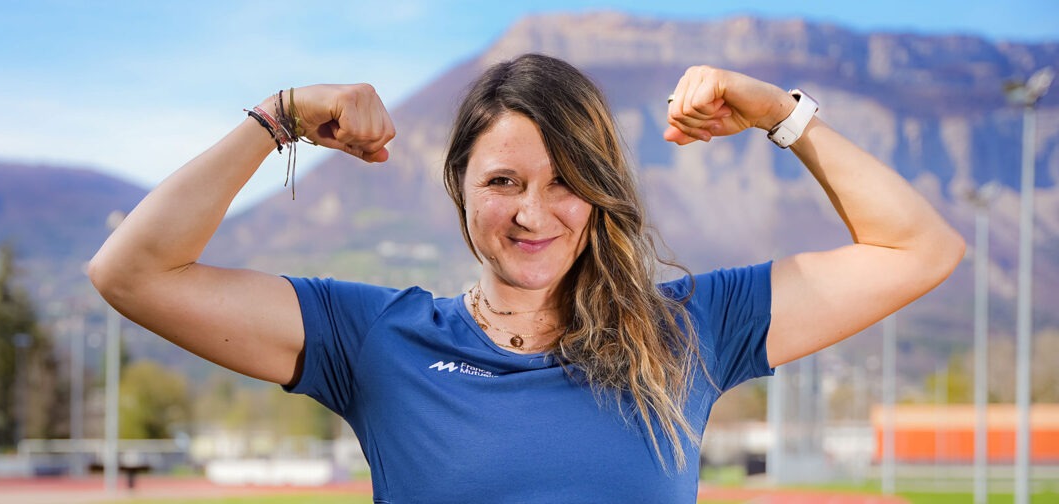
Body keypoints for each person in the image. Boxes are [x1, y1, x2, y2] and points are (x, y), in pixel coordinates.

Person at [89, 54, 964, 502]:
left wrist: (781, 114)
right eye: (503, 181)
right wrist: (277, 119)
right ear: (461, 189)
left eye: (565, 182)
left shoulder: (691, 329)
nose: (533, 214)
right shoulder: (374, 340)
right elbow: (131, 271)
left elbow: (918, 249)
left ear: (601, 192)